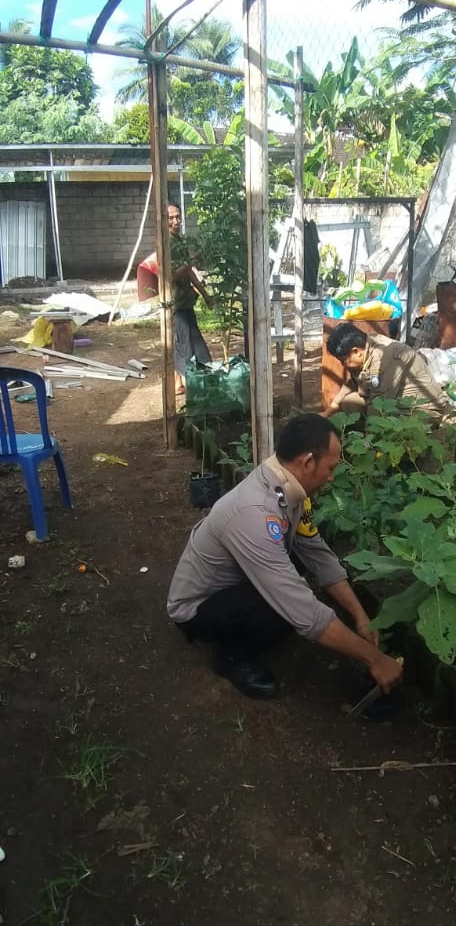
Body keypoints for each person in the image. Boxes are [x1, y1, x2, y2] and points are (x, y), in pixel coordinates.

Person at [167, 413, 403, 701]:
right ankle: (231, 657)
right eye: (330, 468)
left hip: (236, 582)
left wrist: (360, 615)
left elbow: (317, 553)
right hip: (198, 607)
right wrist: (374, 659)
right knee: (282, 610)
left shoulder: (288, 488)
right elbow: (300, 607)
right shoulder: (255, 513)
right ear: (308, 462)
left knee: (297, 571)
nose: (331, 477)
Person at [136, 202, 212, 394]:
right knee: (185, 346)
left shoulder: (179, 241)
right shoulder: (166, 245)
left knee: (187, 343)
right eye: (171, 218)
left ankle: (179, 383)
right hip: (175, 304)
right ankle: (188, 385)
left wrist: (205, 294)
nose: (176, 221)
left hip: (185, 302)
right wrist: (188, 265)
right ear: (163, 221)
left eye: (178, 217)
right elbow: (168, 277)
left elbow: (190, 273)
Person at [324, 321, 452, 420]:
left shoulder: (384, 358)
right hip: (395, 401)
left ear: (356, 351)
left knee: (388, 428)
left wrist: (369, 442)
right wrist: (327, 413)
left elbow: (379, 406)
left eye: (343, 360)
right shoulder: (366, 347)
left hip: (421, 409)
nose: (343, 365)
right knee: (349, 402)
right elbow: (352, 383)